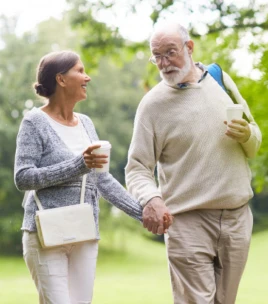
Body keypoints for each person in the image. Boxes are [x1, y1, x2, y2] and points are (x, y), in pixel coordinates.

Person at [14, 50, 172, 304]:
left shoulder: (86, 123)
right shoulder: (34, 122)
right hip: (45, 234)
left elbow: (102, 179)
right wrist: (78, 165)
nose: (87, 78)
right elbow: (23, 178)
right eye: (80, 71)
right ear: (61, 79)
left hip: (84, 232)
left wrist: (140, 212)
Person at [125, 22, 262, 304]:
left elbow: (255, 138)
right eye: (157, 56)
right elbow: (137, 167)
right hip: (187, 221)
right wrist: (151, 198)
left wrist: (248, 134)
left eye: (170, 53)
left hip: (237, 218)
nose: (164, 63)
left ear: (189, 48)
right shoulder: (152, 105)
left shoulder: (220, 79)